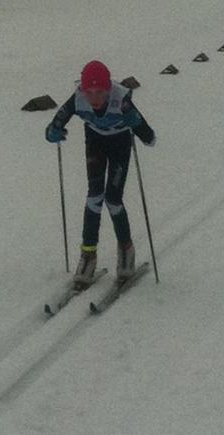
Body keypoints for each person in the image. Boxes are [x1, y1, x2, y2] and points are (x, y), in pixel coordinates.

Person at [45, 60, 155, 285]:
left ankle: (126, 248)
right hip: (95, 141)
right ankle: (88, 254)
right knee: (94, 196)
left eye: (100, 92)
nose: (94, 98)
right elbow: (57, 121)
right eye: (89, 92)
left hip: (119, 144)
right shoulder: (78, 98)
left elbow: (149, 136)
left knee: (113, 200)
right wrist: (53, 131)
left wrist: (136, 125)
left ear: (108, 89)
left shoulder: (121, 100)